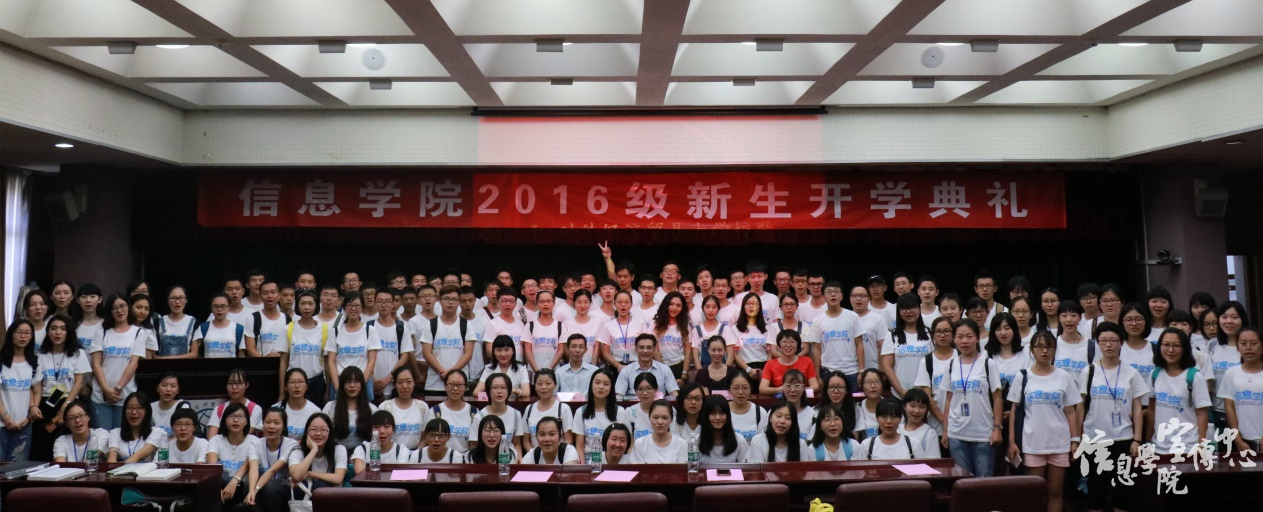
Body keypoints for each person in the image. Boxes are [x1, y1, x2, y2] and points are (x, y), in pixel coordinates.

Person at [1007, 331, 1082, 512]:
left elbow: (1070, 410)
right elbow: (1014, 411)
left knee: (1055, 491)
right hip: (1032, 442)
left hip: (1059, 442)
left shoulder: (1064, 376)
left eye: (1049, 347)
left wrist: (1075, 440)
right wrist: (1012, 442)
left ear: (1055, 350)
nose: (1045, 351)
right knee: (1035, 492)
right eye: (1040, 347)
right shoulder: (1022, 377)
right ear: (1032, 350)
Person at [1079, 322, 1146, 512]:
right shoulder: (1089, 371)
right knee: (1095, 489)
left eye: (1113, 340)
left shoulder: (1131, 373)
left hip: (1123, 438)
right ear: (1098, 343)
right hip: (1094, 439)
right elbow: (1080, 407)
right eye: (1104, 341)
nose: (1108, 345)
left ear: (1121, 343)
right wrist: (1078, 437)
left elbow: (1137, 407)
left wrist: (1137, 439)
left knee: (1122, 490)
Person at [940, 318, 1004, 477]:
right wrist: (946, 430)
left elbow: (997, 398)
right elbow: (948, 399)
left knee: (984, 481)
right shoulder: (951, 365)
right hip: (957, 434)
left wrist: (997, 428)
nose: (964, 341)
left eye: (969, 336)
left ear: (977, 338)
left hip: (983, 434)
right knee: (962, 480)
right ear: (954, 339)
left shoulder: (988, 364)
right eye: (960, 337)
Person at [30, 314, 89, 461]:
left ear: (69, 332)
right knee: (43, 447)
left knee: (65, 445)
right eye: (54, 328)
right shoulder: (40, 355)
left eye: (63, 329)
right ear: (48, 332)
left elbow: (79, 382)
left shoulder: (77, 354)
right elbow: (37, 385)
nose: (58, 332)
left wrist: (65, 406)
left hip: (69, 404)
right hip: (46, 404)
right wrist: (34, 407)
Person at [1146, 328, 1211, 454]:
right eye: (1166, 345)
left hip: (1187, 448)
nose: (1170, 350)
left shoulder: (1194, 376)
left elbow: (1202, 413)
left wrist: (1201, 445)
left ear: (1185, 348)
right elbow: (1151, 410)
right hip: (1159, 447)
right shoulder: (1155, 374)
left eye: (1176, 346)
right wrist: (1147, 440)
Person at [89, 293, 147, 430]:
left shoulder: (138, 333)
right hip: (100, 395)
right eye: (114, 308)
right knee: (102, 437)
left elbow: (134, 363)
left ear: (128, 307)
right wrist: (105, 389)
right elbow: (96, 363)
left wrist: (118, 387)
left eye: (122, 306)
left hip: (126, 395)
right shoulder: (102, 332)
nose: (119, 311)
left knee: (121, 437)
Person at [325, 292, 381, 402]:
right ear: (344, 307)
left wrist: (361, 384)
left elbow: (371, 361)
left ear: (362, 308)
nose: (353, 308)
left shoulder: (369, 331)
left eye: (357, 305)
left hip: (363, 380)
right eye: (350, 305)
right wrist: (337, 386)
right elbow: (331, 362)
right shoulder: (336, 331)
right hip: (340, 379)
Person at [420, 285, 475, 395]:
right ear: (439, 301)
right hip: (435, 384)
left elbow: (468, 353)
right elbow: (427, 353)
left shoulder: (465, 324)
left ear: (459, 302)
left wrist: (452, 373)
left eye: (454, 299)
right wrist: (442, 371)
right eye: (446, 299)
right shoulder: (430, 324)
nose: (450, 302)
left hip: (459, 383)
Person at [278, 291, 329, 407]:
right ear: (297, 305)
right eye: (303, 303)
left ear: (316, 306)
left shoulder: (325, 330)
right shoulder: (288, 329)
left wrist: (327, 390)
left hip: (317, 382)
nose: (306, 307)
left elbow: (327, 363)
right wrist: (282, 391)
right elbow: (283, 362)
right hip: (294, 382)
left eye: (310, 303)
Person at [207, 402, 260, 511]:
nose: (236, 420)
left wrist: (234, 481)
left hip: (243, 486)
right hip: (220, 484)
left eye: (240, 416)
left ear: (246, 421)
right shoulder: (216, 440)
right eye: (231, 416)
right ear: (224, 420)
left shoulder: (254, 441)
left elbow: (248, 466)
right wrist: (216, 487)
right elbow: (212, 467)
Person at [1210, 302, 1249, 439]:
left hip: (1244, 411)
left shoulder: (1248, 346)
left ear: (1242, 319)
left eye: (1234, 317)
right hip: (1217, 411)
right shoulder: (1212, 345)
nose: (1229, 321)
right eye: (1224, 317)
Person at [1220, 327, 1263, 452]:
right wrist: (1237, 439)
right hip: (1242, 440)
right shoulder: (1231, 373)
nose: (1248, 348)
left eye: (1253, 343)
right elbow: (1229, 407)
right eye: (1243, 344)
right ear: (1238, 348)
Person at [249, 407, 299, 512]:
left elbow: (273, 470)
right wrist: (251, 490)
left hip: (285, 487)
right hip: (264, 485)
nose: (271, 426)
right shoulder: (255, 443)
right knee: (247, 486)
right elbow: (253, 469)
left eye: (276, 423)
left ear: (284, 426)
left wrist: (255, 490)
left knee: (271, 488)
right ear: (262, 424)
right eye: (267, 422)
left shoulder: (291, 444)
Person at [882, 294, 931, 399]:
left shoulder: (930, 334)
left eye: (912, 307)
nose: (908, 312)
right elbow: (887, 366)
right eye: (904, 308)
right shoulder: (891, 336)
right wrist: (901, 391)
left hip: (926, 395)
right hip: (900, 395)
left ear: (919, 309)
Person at [0, 320, 36, 462]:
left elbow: (34, 388)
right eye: (19, 332)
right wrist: (5, 417)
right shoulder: (1, 360)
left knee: (17, 468)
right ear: (11, 334)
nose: (23, 336)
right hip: (2, 422)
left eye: (27, 333)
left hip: (23, 423)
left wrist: (31, 412)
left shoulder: (34, 362)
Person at [287, 414, 346, 499]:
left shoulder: (339, 449)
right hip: (303, 497)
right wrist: (313, 450)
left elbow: (338, 479)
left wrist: (309, 474)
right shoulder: (298, 451)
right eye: (313, 429)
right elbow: (296, 475)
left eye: (323, 430)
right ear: (307, 432)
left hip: (331, 496)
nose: (318, 433)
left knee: (320, 485)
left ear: (329, 432)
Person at [915, 317, 956, 435]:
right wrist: (944, 421)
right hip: (936, 425)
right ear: (932, 335)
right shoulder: (927, 361)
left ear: (953, 333)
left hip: (960, 423)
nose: (942, 335)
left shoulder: (961, 357)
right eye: (938, 332)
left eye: (946, 331)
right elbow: (927, 397)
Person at [323, 366, 377, 453]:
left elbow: (375, 439)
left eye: (356, 381)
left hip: (364, 454)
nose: (352, 385)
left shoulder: (372, 409)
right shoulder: (330, 407)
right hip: (337, 453)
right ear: (342, 385)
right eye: (348, 382)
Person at [472, 373, 524, 455]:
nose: (499, 391)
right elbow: (474, 445)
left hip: (509, 457)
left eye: (503, 387)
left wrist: (519, 458)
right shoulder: (479, 416)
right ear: (488, 391)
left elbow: (517, 443)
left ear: (509, 390)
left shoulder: (516, 414)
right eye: (495, 387)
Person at [746, 400, 814, 462]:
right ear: (770, 418)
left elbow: (804, 470)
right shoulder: (758, 441)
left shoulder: (801, 445)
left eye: (788, 418)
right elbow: (758, 470)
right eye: (778, 416)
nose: (782, 421)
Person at [572, 368, 621, 452]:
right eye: (597, 383)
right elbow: (579, 446)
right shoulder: (580, 412)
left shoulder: (620, 411)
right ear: (591, 385)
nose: (601, 387)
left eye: (606, 384)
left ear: (611, 388)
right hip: (588, 458)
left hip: (611, 458)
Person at [616, 334, 680, 398]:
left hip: (659, 403)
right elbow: (619, 395)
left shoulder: (665, 369)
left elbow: (674, 393)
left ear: (654, 350)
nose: (645, 351)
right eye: (641, 347)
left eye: (649, 347)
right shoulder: (626, 371)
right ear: (636, 349)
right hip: (634, 404)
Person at [523, 368, 574, 450]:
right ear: (535, 386)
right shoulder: (529, 409)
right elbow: (526, 441)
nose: (544, 387)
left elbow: (569, 440)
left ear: (555, 385)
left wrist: (557, 454)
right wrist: (535, 454)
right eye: (539, 384)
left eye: (548, 383)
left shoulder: (563, 408)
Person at [380, 366, 429, 450]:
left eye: (409, 382)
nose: (405, 386)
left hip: (415, 453)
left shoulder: (422, 407)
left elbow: (425, 436)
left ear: (414, 382)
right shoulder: (385, 407)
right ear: (394, 384)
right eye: (400, 382)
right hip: (392, 453)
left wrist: (417, 454)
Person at [857, 398, 923, 460]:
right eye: (884, 417)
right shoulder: (867, 445)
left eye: (893, 417)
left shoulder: (913, 444)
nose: (889, 421)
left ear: (900, 419)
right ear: (877, 418)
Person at [732, 293, 776, 386]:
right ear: (743, 307)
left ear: (759, 308)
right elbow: (734, 354)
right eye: (748, 303)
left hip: (764, 367)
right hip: (744, 367)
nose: (751, 306)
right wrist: (748, 369)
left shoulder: (768, 328)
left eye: (755, 304)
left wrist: (766, 370)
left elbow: (770, 353)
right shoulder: (735, 329)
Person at [430, 370, 477, 454]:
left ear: (466, 387)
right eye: (451, 384)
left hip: (466, 457)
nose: (455, 388)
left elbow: (474, 443)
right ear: (445, 386)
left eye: (459, 385)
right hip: (442, 457)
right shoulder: (435, 411)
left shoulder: (474, 412)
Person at [626, 399, 687, 463]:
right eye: (655, 417)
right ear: (649, 418)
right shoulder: (640, 444)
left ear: (671, 420)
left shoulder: (681, 444)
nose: (660, 422)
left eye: (665, 418)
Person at [207, 368, 263, 438]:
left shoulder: (255, 409)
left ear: (247, 385)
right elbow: (211, 438)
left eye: (239, 383)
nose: (234, 387)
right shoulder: (219, 409)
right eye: (230, 383)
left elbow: (246, 434)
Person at [762, 330, 820, 396]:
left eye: (792, 342)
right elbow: (762, 388)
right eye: (784, 342)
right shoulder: (770, 364)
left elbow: (815, 386)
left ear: (798, 344)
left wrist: (799, 390)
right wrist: (780, 390)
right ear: (779, 345)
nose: (788, 345)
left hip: (802, 398)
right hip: (780, 399)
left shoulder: (807, 361)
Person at [106, 392, 160, 462]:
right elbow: (112, 456)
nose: (134, 412)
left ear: (146, 411)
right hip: (119, 468)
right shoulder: (115, 433)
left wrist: (122, 467)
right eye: (130, 408)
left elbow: (139, 455)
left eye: (139, 408)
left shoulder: (156, 432)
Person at [650, 291, 690, 386]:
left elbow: (688, 352)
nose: (674, 308)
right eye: (671, 304)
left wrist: (684, 375)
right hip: (660, 366)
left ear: (682, 308)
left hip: (679, 367)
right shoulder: (655, 324)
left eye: (678, 305)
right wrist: (663, 371)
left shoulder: (685, 325)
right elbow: (654, 349)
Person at [599, 291, 644, 371]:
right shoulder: (608, 326)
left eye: (626, 302)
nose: (623, 305)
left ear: (631, 304)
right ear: (614, 304)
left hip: (637, 365)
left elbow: (646, 346)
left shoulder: (640, 323)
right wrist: (617, 365)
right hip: (616, 365)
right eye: (619, 302)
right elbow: (605, 352)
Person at [850, 284, 889, 372]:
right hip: (850, 370)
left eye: (862, 296)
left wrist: (882, 370)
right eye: (855, 296)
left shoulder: (877, 319)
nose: (858, 299)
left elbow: (882, 346)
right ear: (850, 298)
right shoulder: (846, 318)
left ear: (869, 298)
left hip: (872, 369)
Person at [522, 290, 564, 373]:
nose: (545, 304)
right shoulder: (530, 326)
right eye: (541, 301)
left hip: (554, 372)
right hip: (534, 372)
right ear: (537, 303)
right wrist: (537, 371)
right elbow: (527, 351)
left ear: (553, 303)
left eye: (548, 301)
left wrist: (549, 370)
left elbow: (561, 351)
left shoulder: (560, 326)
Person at [698, 395, 749, 463]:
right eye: (713, 413)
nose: (718, 418)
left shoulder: (739, 441)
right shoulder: (696, 441)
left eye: (722, 413)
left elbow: (746, 468)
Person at [196, 294, 246, 359]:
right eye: (216, 306)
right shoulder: (203, 328)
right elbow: (196, 353)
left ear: (229, 307)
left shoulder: (238, 329)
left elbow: (241, 355)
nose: (219, 309)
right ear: (211, 308)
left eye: (223, 306)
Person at [154, 285, 198, 359]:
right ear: (168, 300)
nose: (177, 302)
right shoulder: (157, 323)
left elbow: (194, 354)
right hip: (162, 366)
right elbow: (152, 354)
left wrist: (167, 359)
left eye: (181, 298)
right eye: (173, 298)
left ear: (186, 300)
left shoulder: (194, 323)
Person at [277, 368, 321, 441]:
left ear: (306, 386)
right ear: (285, 387)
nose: (297, 386)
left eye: (301, 382)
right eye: (292, 382)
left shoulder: (315, 411)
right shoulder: (276, 409)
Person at [1053, 300, 1093, 378]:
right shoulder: (1053, 344)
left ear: (1080, 318)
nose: (1069, 320)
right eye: (1064, 316)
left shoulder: (1091, 346)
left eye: (1073, 315)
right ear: (1058, 318)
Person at [899, 388, 942, 458]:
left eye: (922, 407)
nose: (916, 411)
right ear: (904, 406)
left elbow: (933, 461)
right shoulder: (897, 429)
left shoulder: (929, 433)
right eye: (912, 406)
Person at [618, 373, 660, 441]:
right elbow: (627, 441)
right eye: (640, 389)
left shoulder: (667, 411)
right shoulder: (629, 412)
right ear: (635, 391)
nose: (645, 393)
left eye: (649, 388)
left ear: (656, 389)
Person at [727, 371, 766, 442]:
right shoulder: (723, 411)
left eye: (744, 388)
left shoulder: (760, 412)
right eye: (736, 388)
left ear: (750, 389)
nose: (740, 392)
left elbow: (762, 442)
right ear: (729, 390)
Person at [855, 368, 888, 440]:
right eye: (868, 382)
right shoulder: (857, 408)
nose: (873, 386)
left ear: (882, 385)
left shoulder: (891, 406)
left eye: (877, 382)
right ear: (862, 385)